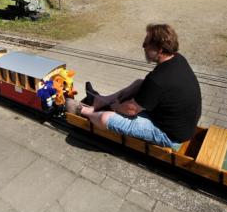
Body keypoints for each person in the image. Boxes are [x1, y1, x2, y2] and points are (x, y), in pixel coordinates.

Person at [67, 24, 201, 150]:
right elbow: (149, 87)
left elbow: (131, 110)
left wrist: (116, 107)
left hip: (170, 135)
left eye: (146, 43)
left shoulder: (158, 80)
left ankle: (83, 111)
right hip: (181, 123)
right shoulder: (177, 58)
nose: (143, 46)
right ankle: (101, 100)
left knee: (105, 118)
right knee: (139, 83)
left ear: (159, 49)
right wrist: (115, 101)